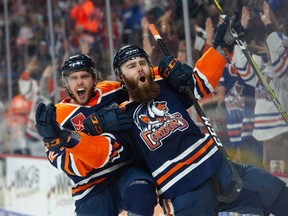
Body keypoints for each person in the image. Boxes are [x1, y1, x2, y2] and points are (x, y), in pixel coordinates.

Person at [84, 15, 288, 215]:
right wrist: (89, 129)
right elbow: (100, 153)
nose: (139, 68)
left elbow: (202, 82)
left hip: (224, 172)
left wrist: (220, 46)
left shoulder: (165, 85)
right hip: (185, 195)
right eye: (131, 66)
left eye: (142, 63)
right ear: (121, 77)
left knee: (277, 193)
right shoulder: (119, 117)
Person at [34, 54, 157, 215]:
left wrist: (166, 71)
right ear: (66, 84)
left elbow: (139, 79)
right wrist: (90, 129)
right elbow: (68, 165)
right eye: (73, 78)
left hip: (126, 170)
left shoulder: (111, 90)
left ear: (94, 79)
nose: (79, 82)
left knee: (141, 190)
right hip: (89, 187)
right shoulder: (57, 116)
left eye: (85, 76)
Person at [232, 1, 288, 173]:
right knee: (271, 182)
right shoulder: (263, 69)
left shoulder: (283, 73)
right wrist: (241, 29)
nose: (268, 47)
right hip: (262, 137)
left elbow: (279, 53)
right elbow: (240, 63)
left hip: (280, 134)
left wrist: (270, 26)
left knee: (282, 181)